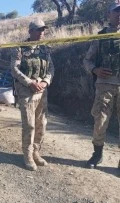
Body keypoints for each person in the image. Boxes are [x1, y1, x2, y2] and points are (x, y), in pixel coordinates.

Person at [10, 19, 54, 171]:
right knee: (29, 125)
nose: (42, 32)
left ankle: (36, 152)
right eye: (39, 29)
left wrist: (45, 82)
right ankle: (27, 155)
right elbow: (14, 70)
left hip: (42, 92)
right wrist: (29, 82)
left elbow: (51, 69)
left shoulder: (45, 49)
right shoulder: (20, 49)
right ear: (30, 31)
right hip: (26, 92)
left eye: (43, 29)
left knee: (41, 124)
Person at [83, 1, 120, 170]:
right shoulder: (101, 36)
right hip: (104, 86)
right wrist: (95, 69)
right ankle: (97, 154)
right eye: (116, 11)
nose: (119, 15)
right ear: (109, 15)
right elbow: (87, 60)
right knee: (100, 122)